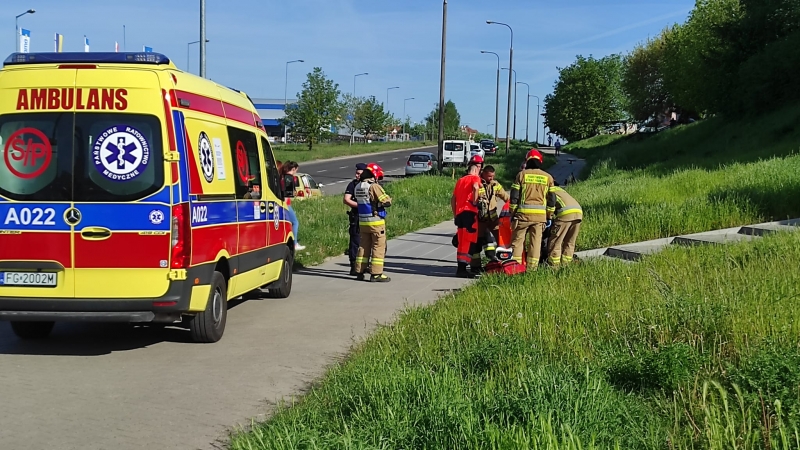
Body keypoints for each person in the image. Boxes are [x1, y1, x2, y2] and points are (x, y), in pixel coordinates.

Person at [509, 149, 556, 270]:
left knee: (517, 243)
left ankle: (515, 269)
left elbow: (514, 197)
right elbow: (552, 200)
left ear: (527, 161)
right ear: (540, 161)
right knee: (535, 244)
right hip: (540, 218)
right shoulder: (548, 177)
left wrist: (512, 214)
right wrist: (549, 216)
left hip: (522, 216)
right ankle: (532, 270)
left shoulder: (521, 175)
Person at [354, 168, 392, 282]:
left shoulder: (358, 187)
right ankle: (376, 273)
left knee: (363, 247)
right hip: (375, 222)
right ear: (371, 177)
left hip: (363, 222)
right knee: (378, 247)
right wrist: (386, 200)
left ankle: (359, 271)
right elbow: (386, 201)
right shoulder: (373, 186)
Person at [451, 155, 485, 278]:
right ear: (476, 169)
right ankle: (462, 269)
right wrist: (475, 202)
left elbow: (453, 199)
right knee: (469, 241)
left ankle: (461, 268)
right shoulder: (475, 178)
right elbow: (476, 187)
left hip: (460, 215)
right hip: (470, 214)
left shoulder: (460, 180)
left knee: (461, 241)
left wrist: (455, 215)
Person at [547, 181, 583, 267]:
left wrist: (549, 217)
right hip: (578, 212)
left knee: (556, 241)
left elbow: (549, 206)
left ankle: (554, 266)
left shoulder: (548, 190)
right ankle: (566, 264)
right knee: (570, 241)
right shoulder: (561, 190)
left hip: (565, 213)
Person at [344, 163, 367, 275]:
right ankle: (353, 266)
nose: (357, 175)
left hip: (368, 216)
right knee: (355, 241)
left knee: (367, 241)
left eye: (359, 173)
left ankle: (364, 265)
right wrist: (360, 205)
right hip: (357, 216)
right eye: (356, 173)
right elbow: (346, 199)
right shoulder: (352, 185)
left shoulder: (368, 184)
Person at [280, 160, 305, 251]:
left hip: (282, 203)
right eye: (296, 171)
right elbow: (287, 194)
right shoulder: (289, 179)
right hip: (286, 204)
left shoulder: (281, 177)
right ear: (293, 169)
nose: (296, 173)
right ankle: (294, 244)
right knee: (295, 222)